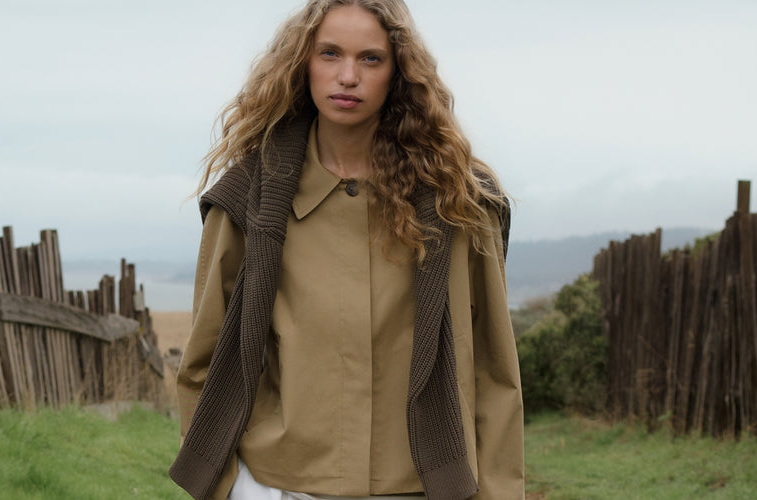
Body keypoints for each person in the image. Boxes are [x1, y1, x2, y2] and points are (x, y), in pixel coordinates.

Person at [170, 1, 522, 499]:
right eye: (330, 54)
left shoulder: (458, 203)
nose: (348, 76)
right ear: (302, 64)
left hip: (420, 487)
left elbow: (494, 371)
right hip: (278, 486)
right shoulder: (247, 198)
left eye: (371, 58)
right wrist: (230, 490)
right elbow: (203, 358)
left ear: (399, 71)